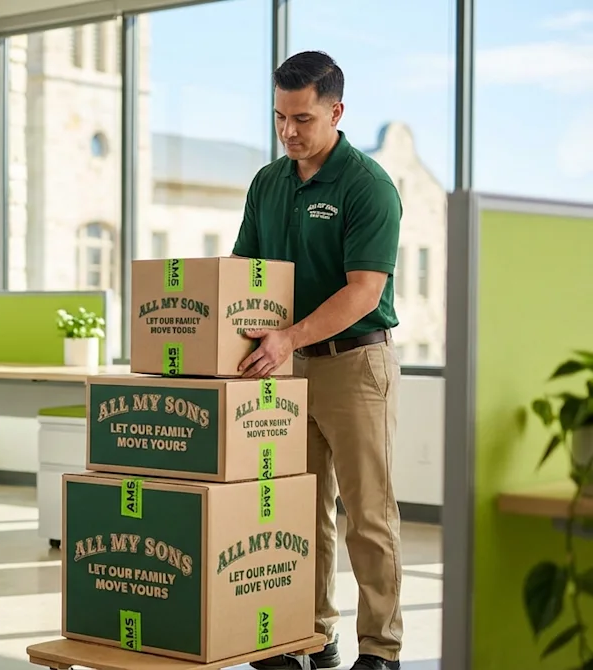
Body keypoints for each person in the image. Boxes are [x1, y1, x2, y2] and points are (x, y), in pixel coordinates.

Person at [233, 51, 403, 670]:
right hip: (285, 368)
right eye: (280, 117)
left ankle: (382, 649)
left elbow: (365, 291)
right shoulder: (268, 182)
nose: (288, 131)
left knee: (368, 514)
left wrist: (288, 337)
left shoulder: (367, 185)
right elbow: (243, 271)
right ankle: (309, 633)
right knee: (298, 509)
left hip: (356, 367)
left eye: (302, 118)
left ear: (336, 111)